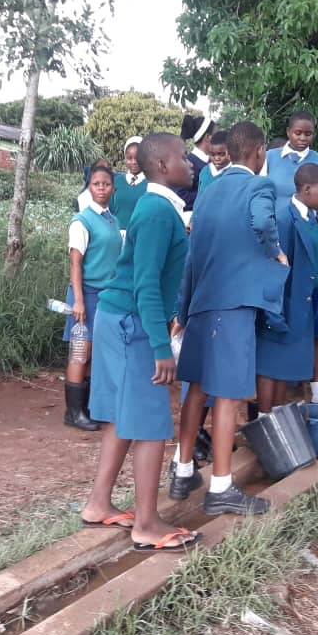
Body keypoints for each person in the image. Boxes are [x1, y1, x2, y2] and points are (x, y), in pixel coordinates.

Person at [79, 132, 201, 551]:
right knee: (151, 425)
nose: (190, 163)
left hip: (118, 317)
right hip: (132, 321)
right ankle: (146, 524)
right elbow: (147, 285)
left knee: (119, 415)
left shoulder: (159, 208)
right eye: (184, 157)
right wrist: (161, 347)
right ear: (164, 166)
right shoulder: (156, 212)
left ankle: (98, 504)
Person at [172, 121, 287, 515]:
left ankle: (183, 467)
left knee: (199, 388)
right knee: (228, 393)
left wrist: (182, 310)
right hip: (233, 306)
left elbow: (191, 257)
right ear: (258, 153)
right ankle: (221, 487)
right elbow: (260, 222)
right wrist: (274, 252)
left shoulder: (208, 191)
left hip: (203, 303)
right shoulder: (260, 186)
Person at [256, 163, 318, 413]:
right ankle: (265, 419)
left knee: (283, 366)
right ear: (307, 189)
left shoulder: (310, 216)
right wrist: (275, 311)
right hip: (285, 303)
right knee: (270, 366)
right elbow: (275, 268)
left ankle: (277, 414)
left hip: (304, 302)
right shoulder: (286, 219)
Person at [63, 165, 122, 431]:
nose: (101, 188)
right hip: (85, 292)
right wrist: (78, 301)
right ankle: (73, 412)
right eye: (96, 184)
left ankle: (86, 407)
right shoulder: (82, 221)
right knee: (80, 350)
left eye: (106, 184)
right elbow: (76, 262)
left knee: (94, 352)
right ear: (89, 187)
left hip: (106, 295)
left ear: (113, 188)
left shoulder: (112, 219)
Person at [260, 112, 318, 201]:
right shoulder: (268, 157)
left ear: (314, 134)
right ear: (288, 132)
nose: (303, 138)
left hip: (308, 215)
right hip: (272, 215)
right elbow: (260, 194)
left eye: (308, 134)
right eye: (298, 133)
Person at [176, 114, 215, 209]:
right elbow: (181, 195)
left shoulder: (211, 162)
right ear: (207, 137)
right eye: (216, 134)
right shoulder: (189, 163)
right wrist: (210, 194)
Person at [110, 137, 146, 231]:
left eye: (138, 158)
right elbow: (109, 211)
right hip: (117, 237)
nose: (133, 162)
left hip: (141, 235)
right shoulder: (115, 182)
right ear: (124, 158)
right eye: (129, 158)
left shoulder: (151, 184)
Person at [196, 129, 230, 193]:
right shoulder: (204, 171)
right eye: (212, 154)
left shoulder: (233, 172)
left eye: (221, 154)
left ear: (230, 152)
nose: (216, 158)